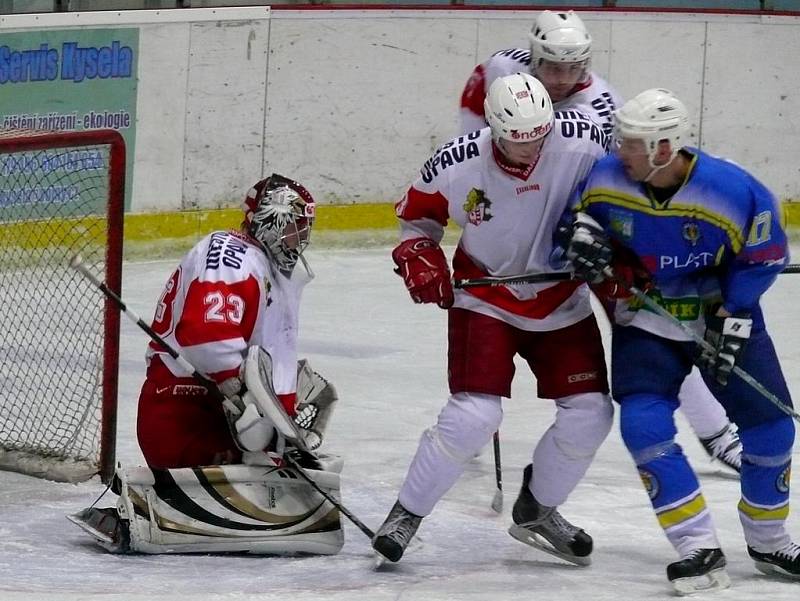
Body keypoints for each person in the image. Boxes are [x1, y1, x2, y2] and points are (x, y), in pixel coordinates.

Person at [460, 9, 742, 474]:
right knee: (485, 316)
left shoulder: (603, 105)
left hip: (594, 232)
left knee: (653, 321)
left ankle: (714, 430)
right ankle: (474, 414)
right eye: (553, 66)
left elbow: (630, 177)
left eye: (576, 67)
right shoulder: (500, 71)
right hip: (526, 226)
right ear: (533, 57)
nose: (565, 78)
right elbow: (471, 146)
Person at [372, 72, 614, 566]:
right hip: (486, 295)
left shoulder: (584, 140)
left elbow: (618, 196)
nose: (532, 151)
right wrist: (420, 254)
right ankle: (407, 512)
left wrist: (599, 232)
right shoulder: (456, 161)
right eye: (518, 141)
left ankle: (539, 508)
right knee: (474, 416)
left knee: (592, 412)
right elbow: (416, 219)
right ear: (495, 130)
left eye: (539, 136)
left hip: (561, 297)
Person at [565, 88, 800, 593]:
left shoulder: (731, 189)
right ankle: (697, 546)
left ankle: (769, 539)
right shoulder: (607, 179)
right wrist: (583, 238)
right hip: (646, 322)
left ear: (663, 150)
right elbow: (578, 220)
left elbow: (766, 254)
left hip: (720, 318)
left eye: (630, 143)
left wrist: (733, 312)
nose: (617, 148)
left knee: (774, 429)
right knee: (644, 424)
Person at [68, 174, 343, 556]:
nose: (301, 239)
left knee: (289, 468)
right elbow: (207, 339)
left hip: (210, 412)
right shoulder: (233, 256)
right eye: (295, 228)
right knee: (272, 481)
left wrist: (281, 419)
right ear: (270, 220)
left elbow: (263, 362)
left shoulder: (270, 269)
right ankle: (142, 508)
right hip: (183, 413)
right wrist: (245, 402)